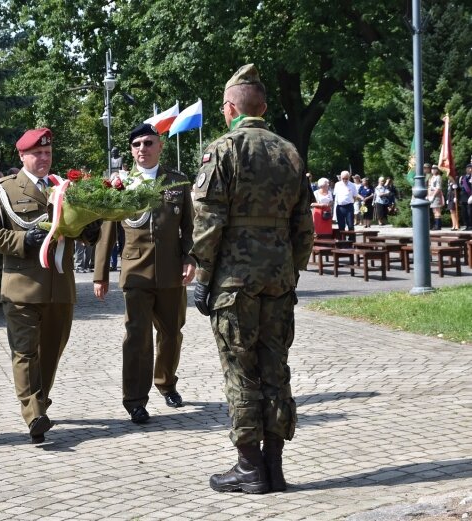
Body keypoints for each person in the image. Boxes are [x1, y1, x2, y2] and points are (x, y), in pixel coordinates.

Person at [191, 64, 314, 494]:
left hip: (234, 281)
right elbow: (304, 227)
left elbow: (209, 221)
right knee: (275, 369)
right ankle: (275, 468)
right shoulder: (289, 152)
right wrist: (291, 270)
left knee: (240, 371)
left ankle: (249, 467)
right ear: (262, 107)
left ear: (230, 108)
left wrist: (202, 276)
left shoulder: (223, 150)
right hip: (279, 280)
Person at [0, 128, 99, 444]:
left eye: (47, 153)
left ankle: (40, 403)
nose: (44, 158)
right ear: (22, 156)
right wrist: (21, 240)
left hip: (59, 286)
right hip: (22, 286)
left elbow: (74, 228)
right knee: (25, 351)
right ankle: (33, 414)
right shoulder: (3, 189)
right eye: (37, 154)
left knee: (51, 352)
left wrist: (91, 231)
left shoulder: (63, 187)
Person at [93, 123, 196, 424]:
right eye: (137, 144)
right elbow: (107, 231)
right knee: (136, 338)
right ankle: (135, 400)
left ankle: (166, 381)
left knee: (171, 334)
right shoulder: (120, 185)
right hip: (136, 271)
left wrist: (190, 258)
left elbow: (189, 226)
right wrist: (101, 274)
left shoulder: (177, 182)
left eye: (148, 143)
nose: (142, 149)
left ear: (160, 146)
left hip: (171, 272)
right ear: (131, 150)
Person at [428, 165, 444, 230]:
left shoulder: (438, 177)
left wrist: (433, 195)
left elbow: (438, 188)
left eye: (435, 169)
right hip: (431, 195)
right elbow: (429, 187)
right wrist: (429, 195)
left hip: (436, 195)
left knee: (437, 210)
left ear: (437, 170)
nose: (433, 170)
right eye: (432, 169)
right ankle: (436, 225)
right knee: (434, 211)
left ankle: (438, 225)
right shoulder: (431, 178)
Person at [461, 164, 472, 231]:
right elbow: (460, 186)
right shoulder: (463, 177)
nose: (468, 169)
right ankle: (467, 225)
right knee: (464, 212)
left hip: (470, 196)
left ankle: (470, 225)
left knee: (470, 212)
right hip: (463, 197)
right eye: (467, 168)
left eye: (470, 168)